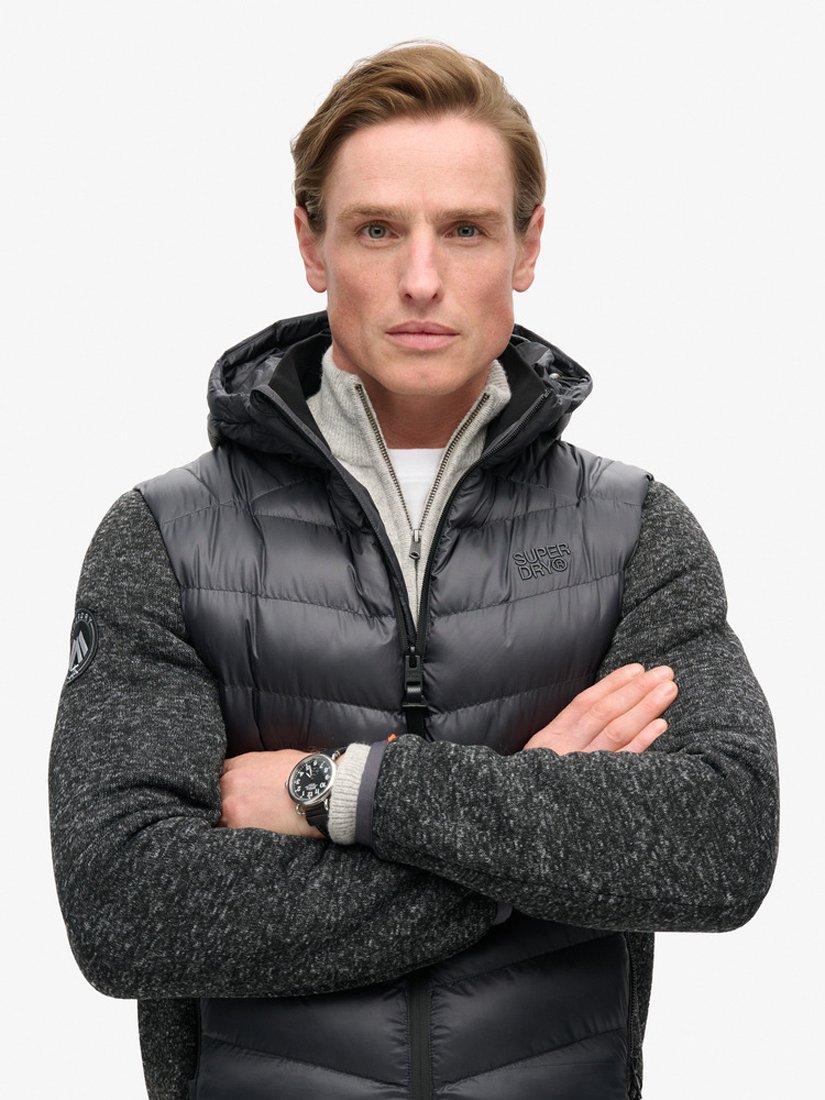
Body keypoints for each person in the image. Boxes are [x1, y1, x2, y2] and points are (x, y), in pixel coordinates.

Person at [48, 38, 779, 1100]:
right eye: (378, 229)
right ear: (312, 244)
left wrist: (340, 790)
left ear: (528, 244)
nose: (422, 279)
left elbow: (720, 845)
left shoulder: (634, 531)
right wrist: (540, 817)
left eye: (466, 229)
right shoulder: (162, 538)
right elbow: (129, 911)